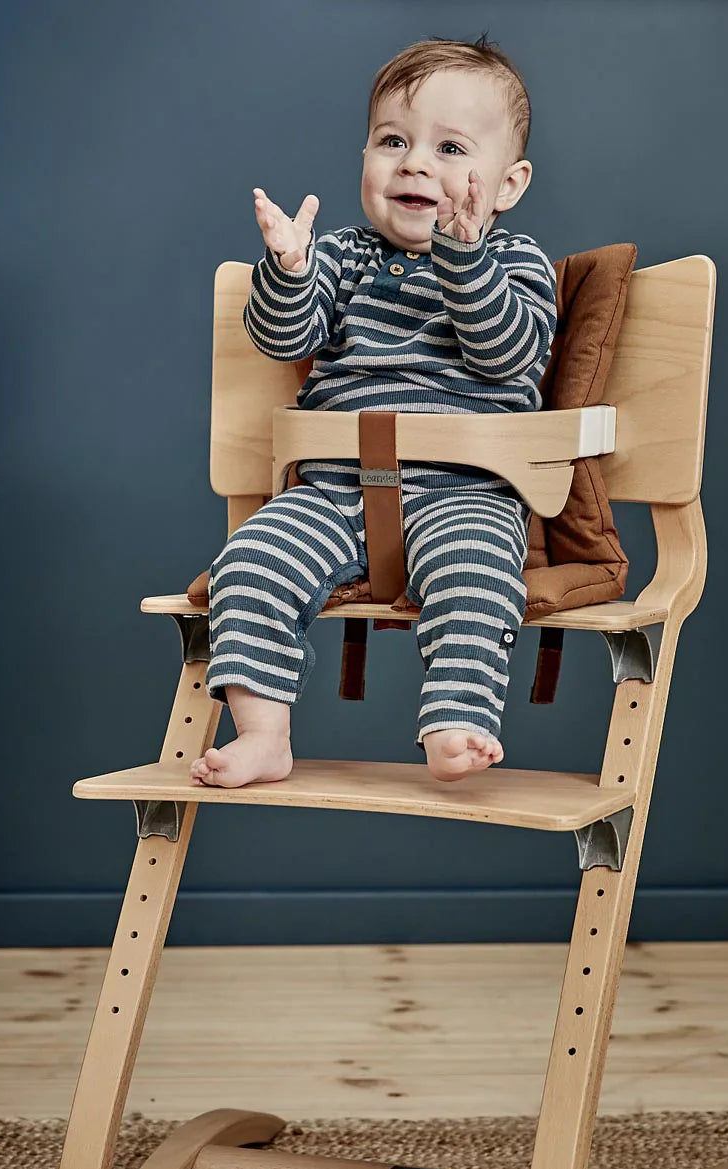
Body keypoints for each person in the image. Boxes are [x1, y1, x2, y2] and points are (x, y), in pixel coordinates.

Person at [191, 35, 557, 788]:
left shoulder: (515, 263)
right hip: (334, 490)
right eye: (393, 141)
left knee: (479, 575)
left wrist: (465, 260)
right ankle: (263, 734)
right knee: (250, 562)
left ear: (509, 183)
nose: (414, 163)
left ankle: (457, 721)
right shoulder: (345, 257)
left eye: (450, 148)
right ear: (364, 156)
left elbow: (508, 355)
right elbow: (283, 338)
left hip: (465, 492)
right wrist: (291, 270)